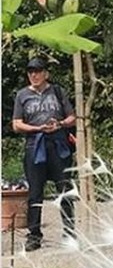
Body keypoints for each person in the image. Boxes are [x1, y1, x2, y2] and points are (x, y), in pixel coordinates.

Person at [11, 57, 77, 252]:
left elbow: (72, 117)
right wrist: (36, 127)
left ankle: (70, 232)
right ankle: (34, 235)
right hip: (35, 145)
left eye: (38, 71)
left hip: (58, 145)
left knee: (64, 189)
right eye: (31, 71)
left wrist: (61, 124)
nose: (34, 75)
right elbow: (16, 124)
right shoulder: (22, 95)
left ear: (45, 73)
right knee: (35, 193)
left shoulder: (57, 91)